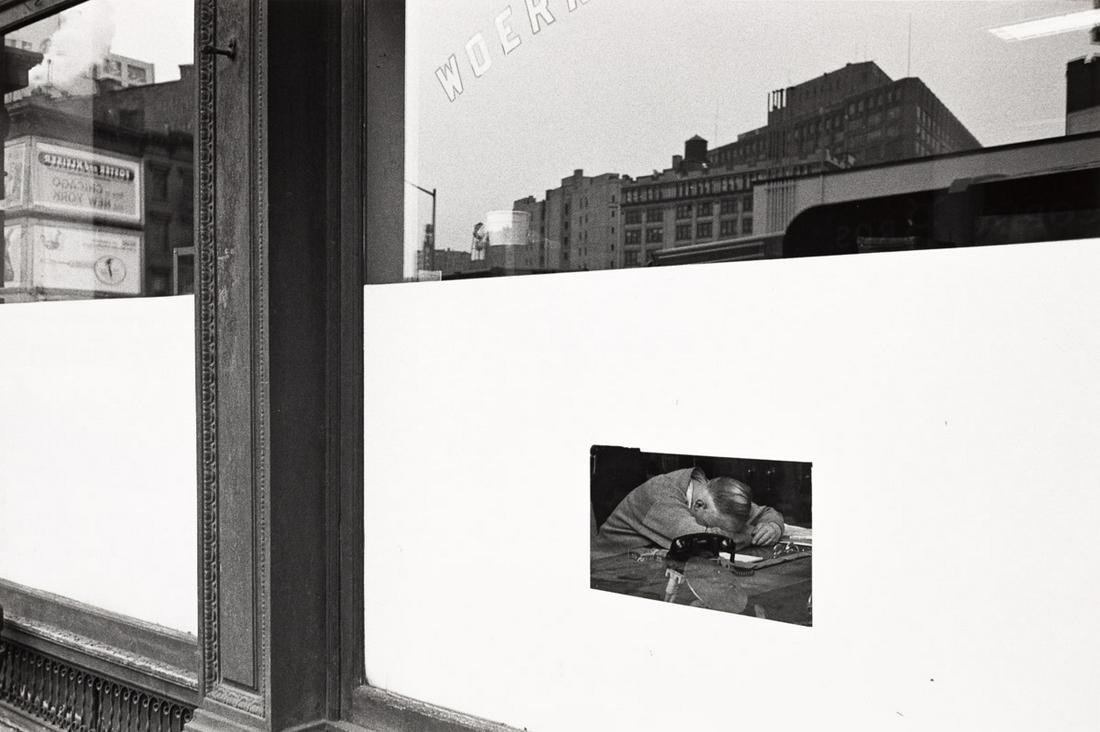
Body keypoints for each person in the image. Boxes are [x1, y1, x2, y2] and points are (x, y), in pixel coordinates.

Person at [591, 467, 784, 559]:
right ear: (699, 506)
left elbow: (765, 512)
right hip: (608, 571)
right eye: (718, 528)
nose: (723, 532)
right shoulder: (660, 496)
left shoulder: (714, 492)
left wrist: (772, 526)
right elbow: (705, 542)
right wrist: (751, 534)